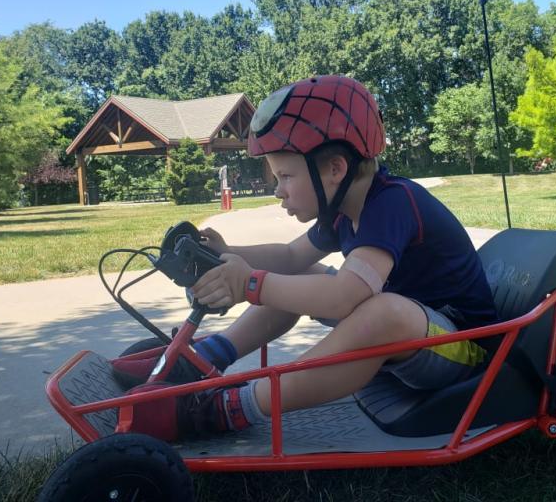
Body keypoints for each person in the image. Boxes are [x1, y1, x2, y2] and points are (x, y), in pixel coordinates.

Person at [122, 75, 497, 441]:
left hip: (464, 349)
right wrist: (227, 253)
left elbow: (344, 298)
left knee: (383, 311)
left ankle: (228, 408)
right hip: (420, 337)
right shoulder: (344, 206)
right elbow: (289, 256)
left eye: (285, 176)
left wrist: (249, 284)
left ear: (335, 169)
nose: (278, 192)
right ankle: (202, 358)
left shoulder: (392, 203)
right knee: (303, 273)